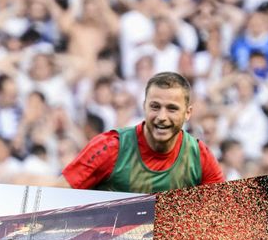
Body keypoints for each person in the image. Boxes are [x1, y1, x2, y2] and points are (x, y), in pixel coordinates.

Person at [59, 72, 225, 193]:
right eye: (155, 107)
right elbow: (57, 195)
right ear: (144, 106)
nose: (162, 117)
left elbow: (224, 218)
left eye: (172, 109)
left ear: (188, 113)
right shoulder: (110, 147)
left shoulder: (199, 157)